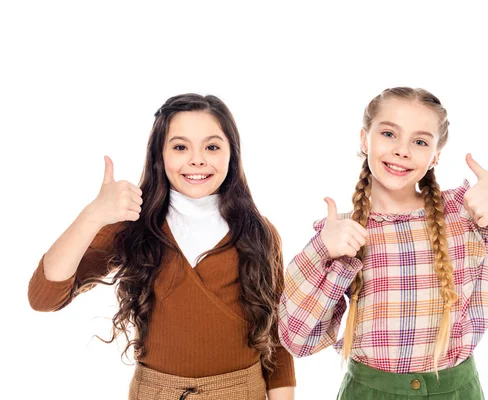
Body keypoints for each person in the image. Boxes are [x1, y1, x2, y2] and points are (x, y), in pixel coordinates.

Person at [278, 87, 488, 399]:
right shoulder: (344, 232)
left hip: (456, 391)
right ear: (365, 139)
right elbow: (297, 339)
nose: (402, 149)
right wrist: (322, 250)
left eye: (419, 141)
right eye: (389, 134)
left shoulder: (469, 214)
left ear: (435, 156)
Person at [28, 93, 295, 400]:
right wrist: (93, 215)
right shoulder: (133, 226)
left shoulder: (259, 232)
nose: (197, 159)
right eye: (180, 146)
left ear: (231, 154)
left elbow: (277, 336)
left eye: (212, 146)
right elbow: (44, 297)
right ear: (159, 155)